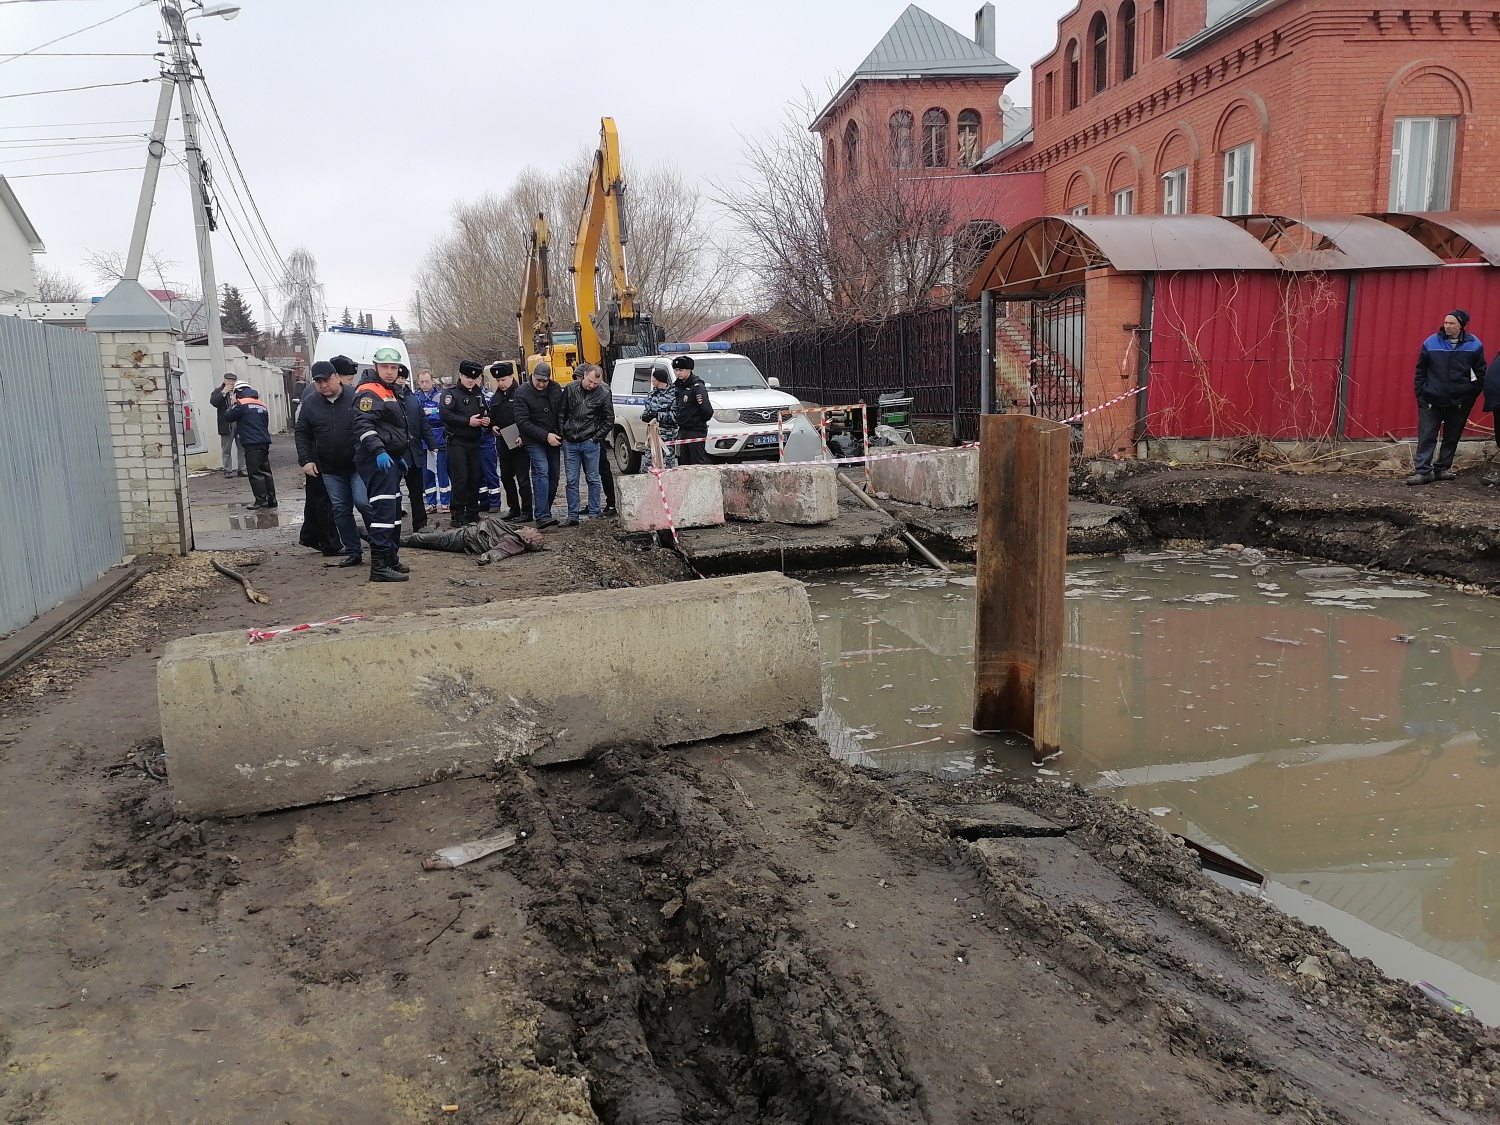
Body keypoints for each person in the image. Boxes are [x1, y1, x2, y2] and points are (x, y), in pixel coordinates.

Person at [295, 360, 372, 568]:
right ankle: (354, 551)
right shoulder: (311, 403)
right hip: (329, 467)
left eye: (326, 380)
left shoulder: (355, 396)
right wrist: (306, 459)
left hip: (358, 464)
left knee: (363, 502)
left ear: (336, 377)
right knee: (340, 509)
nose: (323, 385)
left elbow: (372, 421)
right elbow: (302, 432)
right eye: (318, 382)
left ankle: (380, 545)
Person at [350, 346, 414, 582]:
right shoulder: (370, 392)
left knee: (394, 512)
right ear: (375, 367)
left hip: (390, 459)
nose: (390, 371)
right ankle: (378, 567)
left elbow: (390, 427)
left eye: (394, 367)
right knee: (384, 513)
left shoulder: (388, 390)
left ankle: (390, 559)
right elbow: (363, 425)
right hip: (376, 460)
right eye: (385, 367)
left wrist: (397, 456)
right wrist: (379, 451)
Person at [1408, 309, 1485, 485]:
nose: (1447, 326)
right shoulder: (1431, 342)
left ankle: (1442, 468)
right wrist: (1420, 393)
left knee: (1452, 435)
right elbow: (1421, 370)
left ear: (1461, 326)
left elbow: (1480, 372)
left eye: (1452, 323)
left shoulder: (1474, 344)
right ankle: (1423, 471)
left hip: (1459, 401)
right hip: (1431, 398)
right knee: (1427, 435)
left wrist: (1471, 395)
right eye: (1446, 323)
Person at [558, 362, 615, 525]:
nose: (592, 386)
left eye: (595, 383)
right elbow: (562, 412)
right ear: (584, 376)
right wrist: (563, 434)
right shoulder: (570, 389)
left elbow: (609, 418)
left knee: (593, 478)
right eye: (590, 382)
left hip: (590, 441)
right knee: (571, 480)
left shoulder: (603, 393)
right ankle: (572, 516)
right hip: (570, 441)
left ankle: (594, 513)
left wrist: (596, 438)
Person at [513, 361, 564, 529]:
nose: (541, 384)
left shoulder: (555, 388)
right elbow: (522, 421)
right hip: (533, 439)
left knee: (554, 476)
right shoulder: (522, 393)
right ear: (532, 376)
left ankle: (545, 510)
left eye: (545, 381)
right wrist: (545, 435)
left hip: (553, 437)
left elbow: (561, 411)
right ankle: (542, 515)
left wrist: (559, 432)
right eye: (538, 380)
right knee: (541, 471)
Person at [439, 360, 489, 528]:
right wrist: (467, 421)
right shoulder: (450, 394)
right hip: (457, 441)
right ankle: (458, 515)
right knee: (460, 479)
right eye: (467, 377)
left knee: (474, 478)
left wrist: (486, 419)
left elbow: (484, 410)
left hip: (474, 441)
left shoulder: (478, 393)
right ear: (460, 376)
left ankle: (473, 513)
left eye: (474, 378)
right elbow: (445, 415)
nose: (470, 381)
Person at [486, 361, 533, 521]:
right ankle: (514, 508)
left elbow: (529, 417)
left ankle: (527, 511)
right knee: (506, 477)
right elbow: (491, 417)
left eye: (503, 380)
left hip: (520, 442)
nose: (501, 383)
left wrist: (523, 436)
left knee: (523, 479)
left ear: (511, 377)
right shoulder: (495, 397)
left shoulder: (521, 393)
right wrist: (492, 427)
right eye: (498, 381)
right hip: (503, 442)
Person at [395, 367, 437, 532]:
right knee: (392, 492)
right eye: (398, 378)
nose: (400, 381)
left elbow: (423, 423)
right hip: (396, 453)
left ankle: (420, 525)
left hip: (414, 451)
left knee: (417, 492)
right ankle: (393, 525)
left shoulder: (412, 399)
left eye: (402, 378)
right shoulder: (387, 398)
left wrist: (432, 443)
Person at [222, 383, 276, 510]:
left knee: (255, 472)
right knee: (266, 472)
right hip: (264, 441)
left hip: (251, 442)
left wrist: (233, 403)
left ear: (238, 393)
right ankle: (272, 500)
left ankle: (261, 501)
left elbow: (228, 416)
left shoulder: (241, 404)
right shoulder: (260, 403)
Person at [416, 370, 450, 511]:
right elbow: (416, 418)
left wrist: (432, 413)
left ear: (432, 381)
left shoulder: (440, 396)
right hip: (423, 442)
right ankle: (431, 503)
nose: (425, 384)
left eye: (427, 381)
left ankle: (446, 502)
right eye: (422, 382)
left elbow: (443, 415)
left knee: (442, 472)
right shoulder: (415, 397)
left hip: (439, 441)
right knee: (427, 474)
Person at [671, 353, 712, 466]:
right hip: (683, 430)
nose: (677, 373)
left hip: (695, 430)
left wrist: (696, 421)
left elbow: (707, 411)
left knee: (697, 463)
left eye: (680, 370)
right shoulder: (679, 386)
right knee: (684, 463)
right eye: (676, 370)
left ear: (688, 370)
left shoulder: (697, 387)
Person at [640, 364, 678, 470]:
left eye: (653, 378)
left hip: (667, 437)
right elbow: (646, 411)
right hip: (652, 436)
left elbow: (676, 416)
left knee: (667, 467)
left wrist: (658, 416)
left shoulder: (673, 395)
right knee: (647, 465)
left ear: (659, 380)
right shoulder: (652, 394)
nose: (651, 380)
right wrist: (644, 416)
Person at [208, 373, 244, 478]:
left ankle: (242, 469)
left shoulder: (239, 391)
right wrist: (224, 392)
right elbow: (214, 402)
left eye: (233, 381)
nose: (231, 383)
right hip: (226, 423)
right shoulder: (218, 392)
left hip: (239, 422)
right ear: (224, 381)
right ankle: (227, 470)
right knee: (226, 449)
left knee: (242, 447)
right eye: (229, 381)